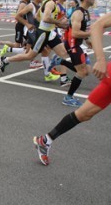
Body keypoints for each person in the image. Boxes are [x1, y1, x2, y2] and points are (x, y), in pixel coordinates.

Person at [33, 12, 111, 166]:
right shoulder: (78, 13)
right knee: (82, 75)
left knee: (85, 114)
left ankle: (45, 140)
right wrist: (101, 59)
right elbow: (97, 26)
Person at [58, 0, 96, 107]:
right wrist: (91, 33)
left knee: (87, 70)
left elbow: (81, 30)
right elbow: (75, 33)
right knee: (82, 71)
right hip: (72, 44)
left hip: (77, 43)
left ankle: (60, 61)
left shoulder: (86, 12)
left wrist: (86, 39)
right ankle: (68, 97)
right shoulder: (78, 13)